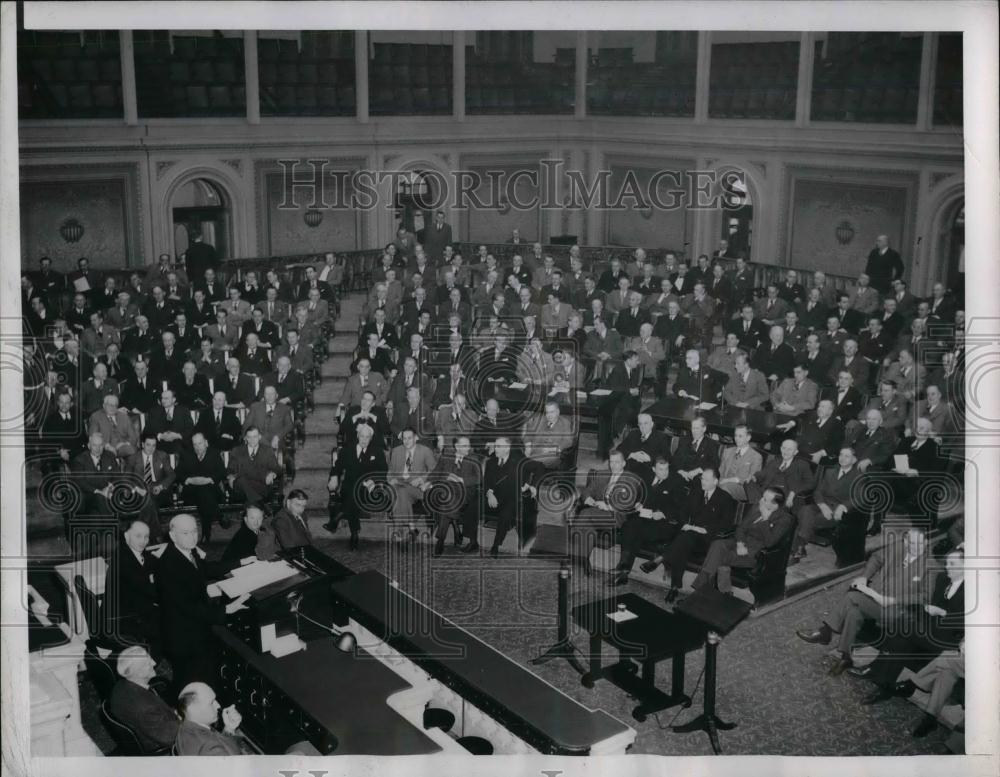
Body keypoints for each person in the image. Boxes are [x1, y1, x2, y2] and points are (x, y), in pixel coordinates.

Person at [796, 527, 933, 675]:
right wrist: (865, 577)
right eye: (912, 543)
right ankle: (846, 657)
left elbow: (925, 597)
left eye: (919, 544)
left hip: (896, 611)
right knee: (854, 613)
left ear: (925, 542)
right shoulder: (899, 547)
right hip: (875, 599)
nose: (915, 548)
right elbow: (876, 558)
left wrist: (893, 600)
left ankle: (825, 632)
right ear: (906, 541)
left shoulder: (930, 565)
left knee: (852, 596)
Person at [853, 548, 964, 704]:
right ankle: (884, 686)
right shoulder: (942, 579)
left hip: (949, 638)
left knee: (902, 627)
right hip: (929, 629)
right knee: (900, 640)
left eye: (953, 564)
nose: (947, 567)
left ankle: (875, 669)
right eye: (946, 563)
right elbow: (928, 604)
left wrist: (942, 613)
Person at [156, 514, 245, 690]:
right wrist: (225, 609)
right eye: (185, 533)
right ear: (173, 536)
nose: (192, 536)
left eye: (194, 531)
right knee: (191, 685)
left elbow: (207, 569)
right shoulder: (168, 566)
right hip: (183, 637)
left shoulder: (188, 551)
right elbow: (188, 607)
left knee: (206, 674)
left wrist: (240, 562)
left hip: (196, 627)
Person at [645, 468, 736, 603]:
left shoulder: (725, 498)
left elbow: (726, 524)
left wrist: (703, 530)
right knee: (683, 542)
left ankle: (662, 559)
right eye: (701, 478)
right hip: (690, 536)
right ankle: (674, 588)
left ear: (715, 481)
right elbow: (682, 511)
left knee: (683, 540)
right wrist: (684, 524)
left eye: (706, 479)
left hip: (707, 541)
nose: (702, 481)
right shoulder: (696, 493)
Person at [691, 486, 794, 594]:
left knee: (719, 557)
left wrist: (765, 520)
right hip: (740, 542)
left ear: (774, 505)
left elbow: (770, 543)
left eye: (764, 499)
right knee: (717, 544)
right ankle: (718, 591)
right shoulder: (756, 507)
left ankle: (702, 590)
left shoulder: (784, 519)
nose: (760, 500)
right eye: (762, 497)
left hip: (754, 553)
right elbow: (741, 528)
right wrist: (740, 544)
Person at [612, 456, 687, 585]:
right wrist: (638, 504)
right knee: (629, 526)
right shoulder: (647, 479)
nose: (664, 472)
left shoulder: (676, 481)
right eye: (661, 469)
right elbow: (639, 496)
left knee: (635, 532)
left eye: (666, 469)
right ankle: (623, 566)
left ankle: (623, 571)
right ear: (654, 469)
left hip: (664, 524)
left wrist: (663, 514)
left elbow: (681, 507)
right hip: (646, 518)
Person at [790, 447, 862, 563]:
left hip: (836, 511)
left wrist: (843, 507)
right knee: (805, 510)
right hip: (822, 506)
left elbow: (859, 498)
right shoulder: (830, 472)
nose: (842, 458)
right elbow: (818, 491)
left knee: (805, 518)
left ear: (854, 460)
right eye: (841, 454)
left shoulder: (858, 476)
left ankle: (797, 550)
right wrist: (822, 506)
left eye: (846, 456)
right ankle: (799, 548)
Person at [103, 518, 162, 654]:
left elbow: (149, 560)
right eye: (138, 536)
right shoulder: (124, 561)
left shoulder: (127, 551)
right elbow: (148, 591)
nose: (144, 541)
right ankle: (152, 662)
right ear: (126, 536)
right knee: (171, 619)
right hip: (123, 621)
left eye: (146, 537)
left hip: (126, 612)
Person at [108, 646, 179, 753]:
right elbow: (172, 737)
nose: (154, 663)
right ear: (139, 673)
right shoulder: (145, 709)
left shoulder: (120, 685)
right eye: (148, 663)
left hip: (151, 726)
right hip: (157, 742)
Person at [327, 423, 386, 549]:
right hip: (348, 488)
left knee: (354, 494)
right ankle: (353, 532)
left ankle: (339, 519)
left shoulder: (377, 451)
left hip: (367, 489)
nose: (364, 440)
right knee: (351, 494)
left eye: (367, 437)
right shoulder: (347, 450)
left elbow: (383, 471)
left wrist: (374, 480)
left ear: (371, 438)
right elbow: (337, 467)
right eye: (362, 436)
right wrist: (334, 477)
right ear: (358, 436)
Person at [430, 436, 481, 556]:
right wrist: (427, 482)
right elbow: (436, 472)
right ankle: (454, 526)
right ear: (456, 447)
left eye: (468, 445)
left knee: (446, 501)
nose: (468, 448)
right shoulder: (446, 457)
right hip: (448, 491)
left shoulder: (474, 458)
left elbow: (479, 479)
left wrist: (461, 479)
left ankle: (440, 540)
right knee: (448, 499)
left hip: (465, 492)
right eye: (464, 446)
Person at [483, 437, 530, 558]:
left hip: (510, 498)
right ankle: (471, 540)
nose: (495, 449)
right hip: (492, 496)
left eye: (499, 446)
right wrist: (490, 494)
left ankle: (496, 545)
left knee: (506, 513)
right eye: (495, 446)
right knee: (473, 504)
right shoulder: (491, 462)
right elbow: (486, 482)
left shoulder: (519, 463)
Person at [175, 682, 252, 755]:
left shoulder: (184, 726)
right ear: (193, 710)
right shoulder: (210, 749)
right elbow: (232, 762)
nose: (218, 705)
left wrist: (229, 728)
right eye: (211, 703)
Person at [387, 428, 437, 522]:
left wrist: (421, 479)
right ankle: (411, 528)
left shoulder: (425, 451)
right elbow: (390, 471)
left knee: (400, 494)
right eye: (404, 438)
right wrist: (391, 479)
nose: (406, 441)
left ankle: (407, 529)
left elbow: (434, 471)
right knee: (400, 491)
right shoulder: (396, 451)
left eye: (409, 438)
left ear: (416, 438)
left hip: (416, 487)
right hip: (399, 484)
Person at [226, 426, 280, 505]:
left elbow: (276, 468)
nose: (252, 440)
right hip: (241, 486)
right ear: (245, 438)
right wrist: (230, 476)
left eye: (255, 437)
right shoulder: (237, 451)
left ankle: (256, 503)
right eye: (249, 437)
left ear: (259, 437)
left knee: (243, 481)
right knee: (241, 480)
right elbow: (230, 469)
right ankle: (260, 504)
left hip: (260, 485)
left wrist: (272, 474)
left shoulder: (267, 450)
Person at [614, 413, 671, 479]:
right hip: (630, 469)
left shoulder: (661, 437)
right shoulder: (633, 434)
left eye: (646, 423)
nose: (643, 427)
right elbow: (619, 449)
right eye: (640, 424)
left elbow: (667, 456)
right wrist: (631, 454)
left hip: (648, 471)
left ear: (652, 424)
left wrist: (650, 458)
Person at [717, 424, 764, 501]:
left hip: (743, 488)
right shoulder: (727, 451)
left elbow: (751, 480)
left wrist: (728, 480)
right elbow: (720, 471)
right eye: (735, 435)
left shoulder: (756, 457)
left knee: (724, 488)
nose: (737, 439)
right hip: (723, 483)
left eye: (740, 436)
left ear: (748, 438)